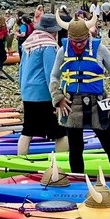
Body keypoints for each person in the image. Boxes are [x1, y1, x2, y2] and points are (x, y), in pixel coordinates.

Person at [49, 19, 110, 176]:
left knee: (109, 142)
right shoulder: (62, 51)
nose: (78, 45)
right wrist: (58, 97)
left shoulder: (100, 49)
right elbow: (54, 76)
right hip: (72, 103)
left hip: (98, 101)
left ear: (88, 36)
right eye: (74, 41)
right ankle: (78, 179)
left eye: (82, 41)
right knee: (75, 147)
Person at [18, 14, 67, 156]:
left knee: (28, 130)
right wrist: (57, 96)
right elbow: (51, 73)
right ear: (54, 31)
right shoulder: (49, 46)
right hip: (44, 94)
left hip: (28, 93)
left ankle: (21, 160)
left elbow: (21, 70)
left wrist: (22, 91)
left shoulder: (28, 43)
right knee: (60, 131)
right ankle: (61, 163)